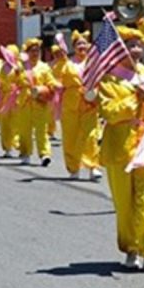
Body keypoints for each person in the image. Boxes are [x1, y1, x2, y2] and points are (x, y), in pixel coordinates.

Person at [98, 26, 144, 274]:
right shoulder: (109, 79)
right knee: (124, 202)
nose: (137, 48)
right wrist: (133, 99)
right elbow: (110, 112)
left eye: (139, 44)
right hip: (120, 146)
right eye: (130, 44)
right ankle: (131, 248)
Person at [53, 30, 101, 178]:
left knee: (90, 135)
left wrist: (96, 94)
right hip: (71, 103)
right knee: (71, 136)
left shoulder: (94, 62)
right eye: (78, 44)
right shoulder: (66, 64)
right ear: (73, 47)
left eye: (84, 43)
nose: (82, 46)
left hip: (90, 102)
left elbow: (102, 80)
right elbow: (55, 79)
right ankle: (73, 168)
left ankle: (92, 166)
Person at [16, 38, 58, 165]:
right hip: (25, 102)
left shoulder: (44, 67)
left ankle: (44, 154)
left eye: (37, 50)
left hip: (40, 102)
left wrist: (51, 87)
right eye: (32, 50)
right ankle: (25, 152)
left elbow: (50, 81)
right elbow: (11, 79)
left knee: (41, 130)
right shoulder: (21, 67)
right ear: (27, 52)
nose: (35, 53)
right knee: (25, 130)